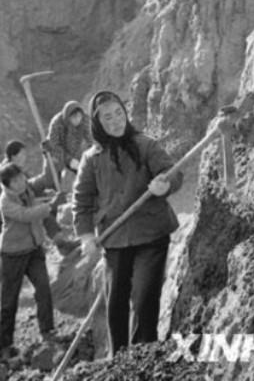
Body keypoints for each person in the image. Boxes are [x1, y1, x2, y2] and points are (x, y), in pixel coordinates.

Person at [72, 90, 183, 356]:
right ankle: (119, 360)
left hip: (151, 233)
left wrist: (164, 184)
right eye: (107, 117)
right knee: (116, 302)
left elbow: (173, 173)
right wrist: (86, 236)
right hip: (115, 237)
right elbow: (81, 200)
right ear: (97, 123)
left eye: (118, 113)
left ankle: (143, 356)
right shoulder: (92, 159)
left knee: (144, 298)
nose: (115, 121)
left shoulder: (146, 145)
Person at [0, 140, 76, 293]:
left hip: (17, 216)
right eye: (22, 154)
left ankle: (61, 243)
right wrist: (31, 204)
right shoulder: (1, 173)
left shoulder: (19, 173)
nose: (25, 157)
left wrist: (48, 157)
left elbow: (42, 182)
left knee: (44, 214)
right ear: (13, 156)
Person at [0, 163, 55, 358]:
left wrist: (48, 200)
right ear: (8, 184)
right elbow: (25, 215)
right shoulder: (5, 201)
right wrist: (48, 207)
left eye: (22, 177)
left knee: (44, 288)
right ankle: (4, 344)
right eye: (16, 181)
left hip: (33, 249)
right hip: (13, 254)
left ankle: (47, 330)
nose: (21, 182)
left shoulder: (27, 191)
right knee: (9, 299)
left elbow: (36, 198)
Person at [38, 100, 91, 192]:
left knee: (82, 171)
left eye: (79, 116)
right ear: (68, 117)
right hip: (55, 151)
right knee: (51, 176)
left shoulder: (85, 120)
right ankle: (48, 190)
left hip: (74, 149)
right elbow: (54, 145)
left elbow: (91, 139)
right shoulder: (57, 123)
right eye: (74, 117)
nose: (77, 120)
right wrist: (69, 160)